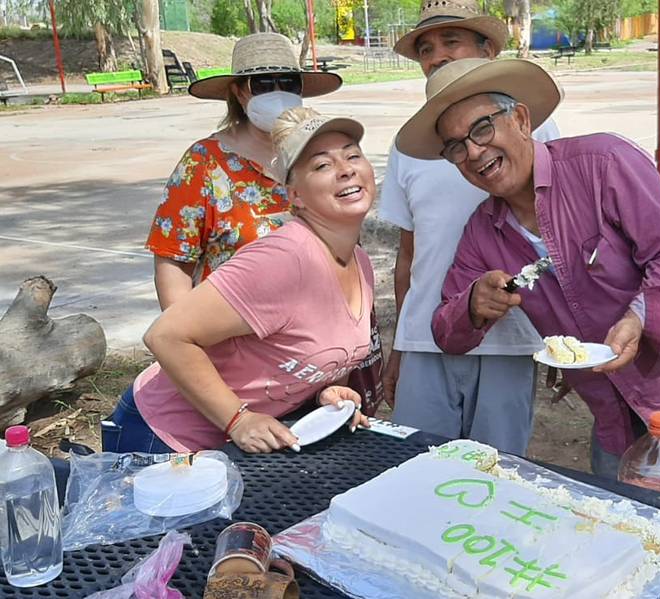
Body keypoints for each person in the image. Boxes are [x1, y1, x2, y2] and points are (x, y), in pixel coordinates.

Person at [397, 58, 660, 524]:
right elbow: (447, 331)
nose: (473, 152)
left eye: (483, 129)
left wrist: (639, 316)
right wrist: (472, 306)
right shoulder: (483, 234)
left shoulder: (604, 163)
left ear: (523, 120)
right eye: (455, 147)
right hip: (618, 401)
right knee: (622, 523)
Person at [102, 107, 373, 453]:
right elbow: (166, 335)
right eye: (322, 165)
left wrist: (326, 389)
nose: (346, 169)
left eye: (353, 155)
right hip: (166, 439)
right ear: (295, 196)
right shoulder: (284, 260)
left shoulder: (360, 262)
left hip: (242, 447)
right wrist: (238, 419)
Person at [379, 0, 560, 455]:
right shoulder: (410, 146)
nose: (437, 55)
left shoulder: (533, 125)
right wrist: (401, 343)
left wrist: (563, 330)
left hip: (511, 338)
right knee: (416, 472)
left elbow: (560, 232)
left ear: (487, 50)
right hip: (425, 339)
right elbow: (408, 253)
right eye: (425, 48)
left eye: (451, 41)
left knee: (493, 479)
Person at [145, 32, 341, 309]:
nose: (278, 92)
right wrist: (180, 338)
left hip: (318, 327)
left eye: (288, 82)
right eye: (262, 84)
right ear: (238, 92)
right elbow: (173, 263)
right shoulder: (204, 163)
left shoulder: (318, 152)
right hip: (232, 339)